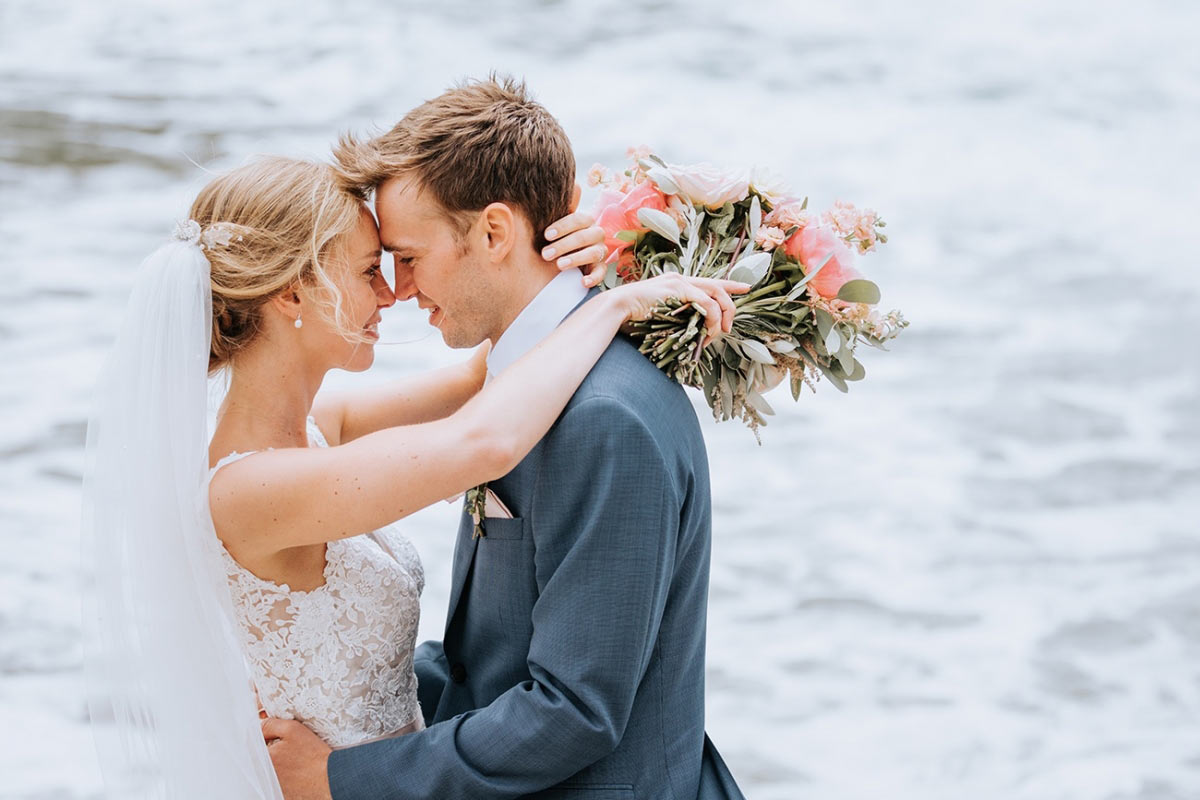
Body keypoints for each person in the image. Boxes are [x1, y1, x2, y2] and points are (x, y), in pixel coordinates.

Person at [81, 151, 744, 800]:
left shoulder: (320, 427)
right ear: (292, 293)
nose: (392, 292)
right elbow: (483, 438)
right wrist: (614, 307)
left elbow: (491, 372)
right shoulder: (247, 491)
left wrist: (581, 262)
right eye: (370, 269)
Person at [261, 76, 749, 799]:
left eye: (409, 255)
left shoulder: (604, 418)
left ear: (493, 233)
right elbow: (488, 660)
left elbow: (574, 710)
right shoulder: (525, 383)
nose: (396, 289)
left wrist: (343, 778)